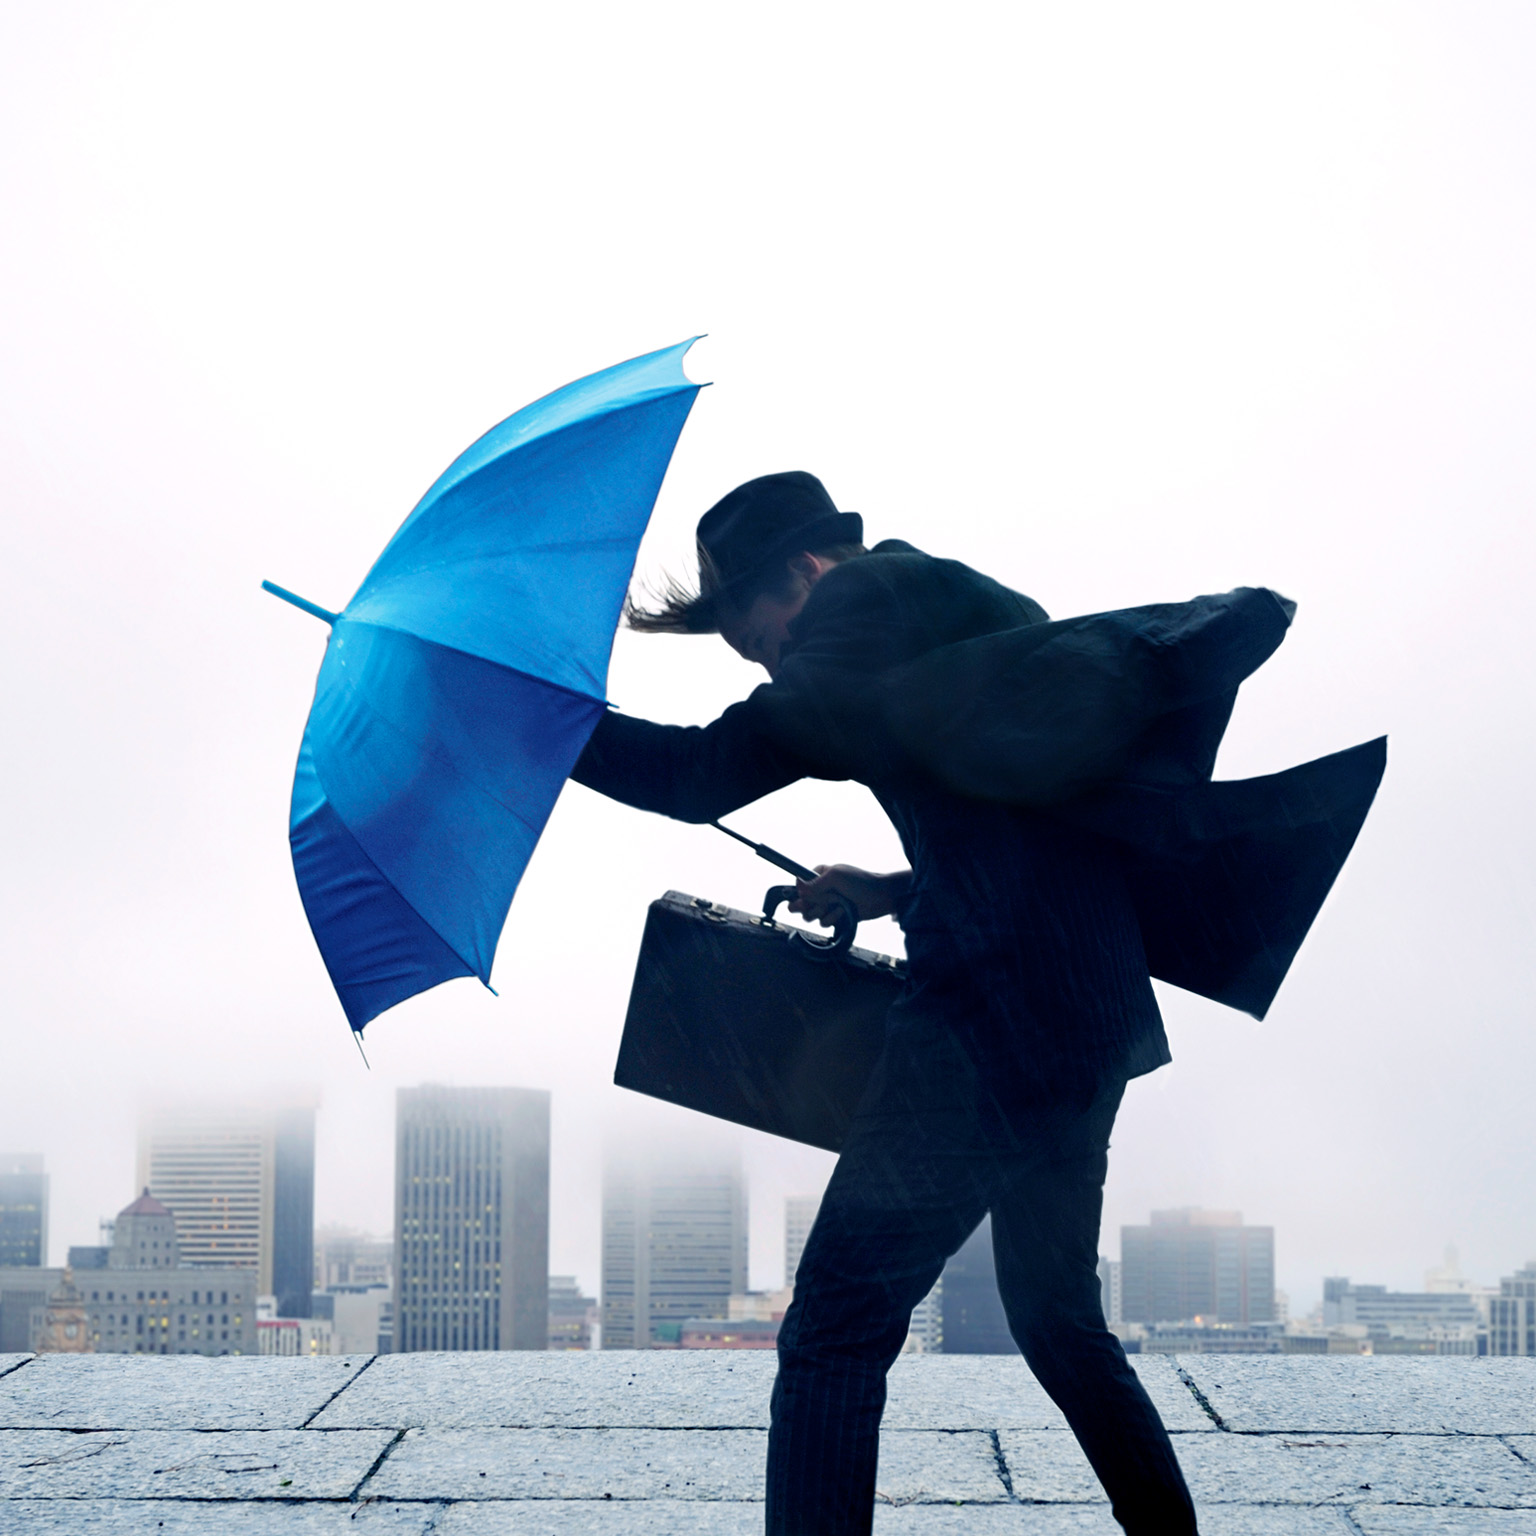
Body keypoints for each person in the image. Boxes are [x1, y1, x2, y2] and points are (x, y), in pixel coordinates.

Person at [572, 471, 1382, 1535]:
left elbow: (697, 773)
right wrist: (894, 886)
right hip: (1089, 1013)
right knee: (1058, 1319)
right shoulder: (962, 601)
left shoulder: (857, 610)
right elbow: (1031, 822)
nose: (775, 670)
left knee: (833, 1331)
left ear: (807, 572)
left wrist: (541, 730)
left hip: (989, 1022)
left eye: (763, 641)